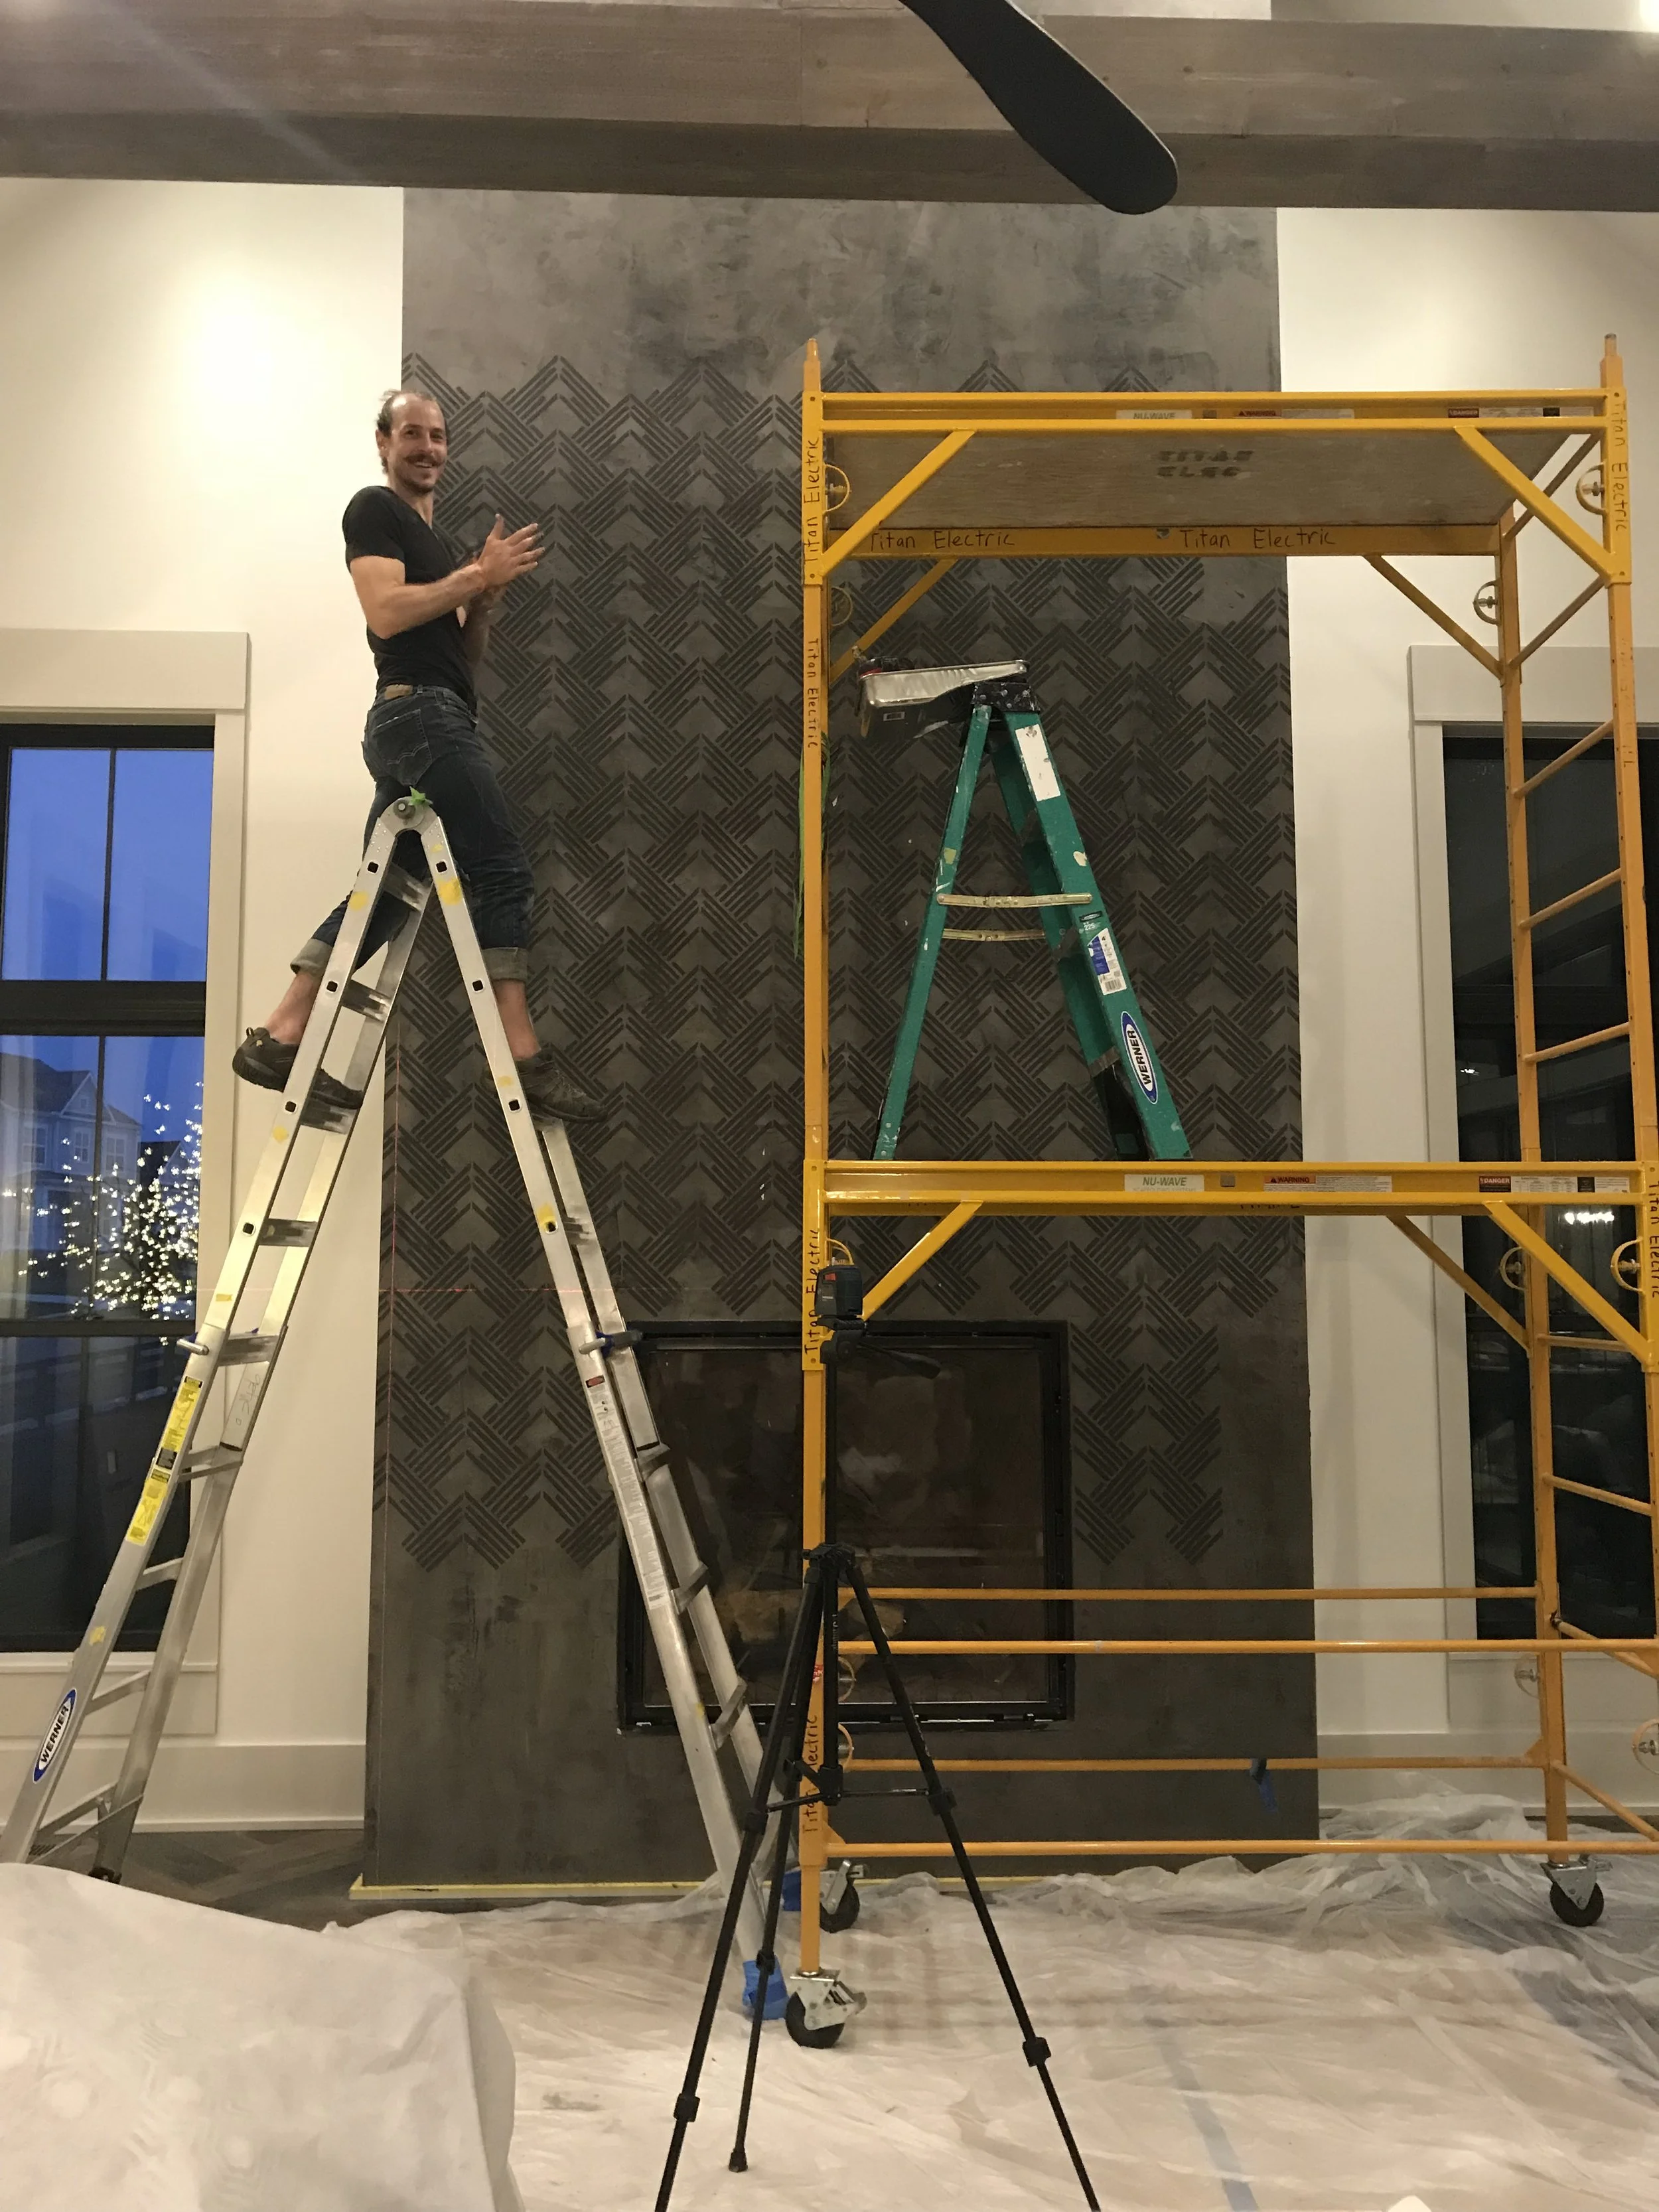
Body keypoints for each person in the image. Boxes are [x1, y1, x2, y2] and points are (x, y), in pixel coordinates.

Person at [232, 388, 605, 1122]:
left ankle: (278, 1036)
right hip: (420, 717)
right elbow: (386, 613)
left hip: (428, 712)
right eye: (412, 434)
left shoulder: (429, 543)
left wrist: (484, 600)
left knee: (384, 901)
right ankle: (526, 1060)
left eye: (437, 437)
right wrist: (472, 576)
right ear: (382, 442)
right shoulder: (375, 509)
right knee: (500, 869)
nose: (428, 448)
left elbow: (460, 653)